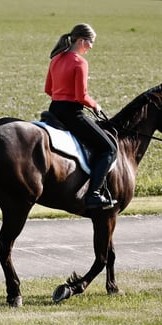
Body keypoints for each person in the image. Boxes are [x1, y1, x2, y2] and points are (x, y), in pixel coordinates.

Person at [44, 23, 118, 210]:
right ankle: (94, 194)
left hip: (54, 110)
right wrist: (95, 105)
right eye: (91, 42)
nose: (91, 47)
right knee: (108, 148)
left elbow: (48, 90)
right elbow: (81, 96)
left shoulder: (56, 58)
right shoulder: (80, 62)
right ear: (81, 40)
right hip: (71, 113)